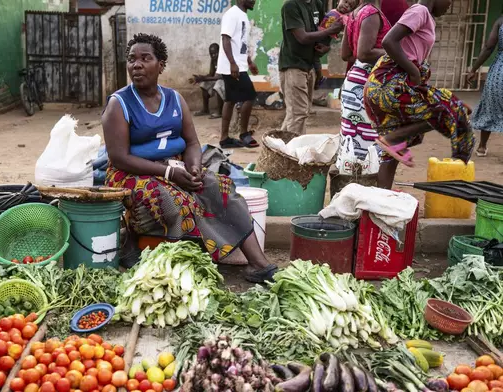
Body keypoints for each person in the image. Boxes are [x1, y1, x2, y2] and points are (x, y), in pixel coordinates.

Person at [102, 33, 278, 283]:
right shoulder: (119, 104)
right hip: (129, 173)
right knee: (174, 201)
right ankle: (169, 265)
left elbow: (193, 143)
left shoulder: (175, 99)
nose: (136, 65)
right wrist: (168, 173)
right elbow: (118, 157)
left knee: (221, 188)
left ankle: (259, 264)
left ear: (161, 65)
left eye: (145, 58)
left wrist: (193, 167)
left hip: (175, 166)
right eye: (131, 59)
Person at [364, 0, 474, 189]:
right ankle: (392, 139)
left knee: (392, 154)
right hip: (389, 83)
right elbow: (389, 41)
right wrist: (414, 72)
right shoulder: (420, 11)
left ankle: (380, 201)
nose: (450, 4)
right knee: (450, 108)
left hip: (389, 83)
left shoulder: (425, 16)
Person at [279, 0, 343, 136]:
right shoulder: (291, 6)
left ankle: (279, 149)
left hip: (309, 66)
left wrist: (325, 47)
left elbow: (322, 31)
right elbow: (302, 37)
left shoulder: (317, 4)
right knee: (298, 113)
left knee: (299, 113)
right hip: (293, 65)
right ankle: (293, 153)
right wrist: (330, 30)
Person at [339, 0, 391, 160]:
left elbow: (346, 55)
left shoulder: (355, 14)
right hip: (368, 83)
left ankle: (352, 179)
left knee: (354, 139)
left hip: (354, 80)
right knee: (369, 142)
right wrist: (398, 51)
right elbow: (364, 53)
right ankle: (364, 180)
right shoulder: (371, 14)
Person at [216, 0, 260, 148]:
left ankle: (224, 139)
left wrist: (249, 62)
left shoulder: (243, 16)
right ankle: (244, 134)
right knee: (250, 96)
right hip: (232, 66)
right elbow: (225, 39)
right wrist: (233, 63)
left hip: (238, 65)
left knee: (230, 100)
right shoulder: (232, 14)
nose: (253, 1)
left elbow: (240, 43)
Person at [466, 14, 503, 157]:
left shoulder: (500, 21)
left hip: (499, 73)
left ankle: (482, 146)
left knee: (490, 107)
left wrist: (474, 69)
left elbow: (489, 47)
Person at [190, 43, 225, 119]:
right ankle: (205, 110)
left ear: (219, 52)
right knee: (203, 84)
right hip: (217, 79)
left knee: (218, 85)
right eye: (211, 54)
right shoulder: (213, 60)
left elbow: (219, 77)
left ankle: (220, 112)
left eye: (215, 53)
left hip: (225, 81)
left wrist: (203, 78)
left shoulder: (223, 60)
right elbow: (211, 74)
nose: (213, 55)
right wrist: (200, 77)